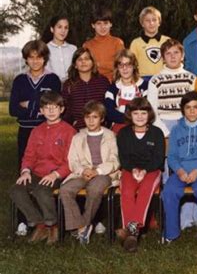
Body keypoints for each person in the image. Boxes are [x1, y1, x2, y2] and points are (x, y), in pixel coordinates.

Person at [9, 91, 76, 245]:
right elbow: (29, 155)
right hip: (37, 173)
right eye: (47, 108)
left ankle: (53, 225)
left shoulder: (69, 131)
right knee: (16, 189)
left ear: (62, 109)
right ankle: (39, 223)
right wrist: (25, 171)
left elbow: (71, 161)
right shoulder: (36, 131)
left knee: (41, 190)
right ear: (41, 111)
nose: (51, 111)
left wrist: (56, 174)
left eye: (55, 107)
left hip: (58, 174)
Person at [162, 91, 197, 243]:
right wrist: (179, 171)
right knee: (169, 191)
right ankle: (171, 234)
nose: (192, 111)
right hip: (180, 171)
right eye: (188, 107)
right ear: (183, 109)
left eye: (195, 107)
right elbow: (172, 156)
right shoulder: (175, 130)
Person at [60, 101, 120, 244]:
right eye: (88, 117)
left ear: (102, 119)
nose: (91, 121)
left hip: (104, 173)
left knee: (94, 188)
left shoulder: (110, 136)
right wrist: (83, 170)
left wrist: (97, 170)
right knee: (65, 189)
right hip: (83, 172)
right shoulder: (78, 137)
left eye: (95, 117)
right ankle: (81, 226)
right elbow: (72, 160)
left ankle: (84, 224)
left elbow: (115, 160)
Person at [116, 97, 165, 252]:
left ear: (148, 114)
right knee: (127, 192)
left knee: (145, 191)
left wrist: (144, 170)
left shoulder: (156, 133)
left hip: (151, 170)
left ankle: (131, 231)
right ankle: (132, 232)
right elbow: (123, 158)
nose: (139, 117)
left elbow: (158, 158)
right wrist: (133, 170)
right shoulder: (123, 133)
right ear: (130, 115)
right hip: (130, 170)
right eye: (136, 113)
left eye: (143, 113)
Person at [10, 40, 61, 166]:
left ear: (45, 58)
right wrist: (39, 105)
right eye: (31, 57)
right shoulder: (19, 80)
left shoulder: (53, 79)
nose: (35, 61)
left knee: (47, 162)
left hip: (47, 127)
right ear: (26, 59)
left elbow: (54, 107)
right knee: (25, 163)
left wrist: (27, 104)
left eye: (39, 57)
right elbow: (13, 109)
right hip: (25, 130)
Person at [147, 39, 196, 137]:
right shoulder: (156, 80)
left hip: (186, 122)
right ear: (163, 58)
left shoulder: (191, 78)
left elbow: (195, 106)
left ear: (182, 56)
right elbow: (151, 108)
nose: (172, 56)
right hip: (163, 123)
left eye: (176, 52)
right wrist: (164, 132)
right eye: (168, 53)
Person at [62, 48, 110, 130]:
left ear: (92, 62)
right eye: (80, 59)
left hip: (100, 129)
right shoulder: (69, 84)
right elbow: (65, 108)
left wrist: (106, 123)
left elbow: (108, 106)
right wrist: (71, 124)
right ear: (75, 65)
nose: (83, 62)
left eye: (87, 59)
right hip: (76, 130)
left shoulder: (103, 81)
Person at [105, 49, 148, 133]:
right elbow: (109, 114)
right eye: (121, 65)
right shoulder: (112, 89)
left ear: (134, 66)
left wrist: (121, 108)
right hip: (118, 131)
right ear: (117, 68)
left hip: (141, 129)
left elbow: (147, 111)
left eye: (128, 64)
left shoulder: (145, 86)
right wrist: (134, 114)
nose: (125, 68)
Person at [83, 7, 124, 81]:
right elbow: (85, 67)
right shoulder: (87, 45)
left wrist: (98, 64)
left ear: (111, 24)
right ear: (93, 25)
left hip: (114, 82)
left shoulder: (117, 43)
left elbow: (120, 65)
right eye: (99, 23)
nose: (102, 27)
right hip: (94, 83)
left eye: (106, 23)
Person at [129, 6, 170, 80]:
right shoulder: (136, 43)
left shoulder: (167, 41)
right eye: (147, 20)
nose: (151, 23)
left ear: (159, 22)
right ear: (142, 23)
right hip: (143, 79)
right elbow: (132, 65)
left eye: (154, 20)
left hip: (164, 78)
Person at [41, 15, 77, 81]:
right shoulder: (44, 48)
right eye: (59, 27)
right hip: (51, 87)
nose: (63, 31)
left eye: (66, 28)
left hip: (71, 87)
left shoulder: (73, 49)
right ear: (52, 29)